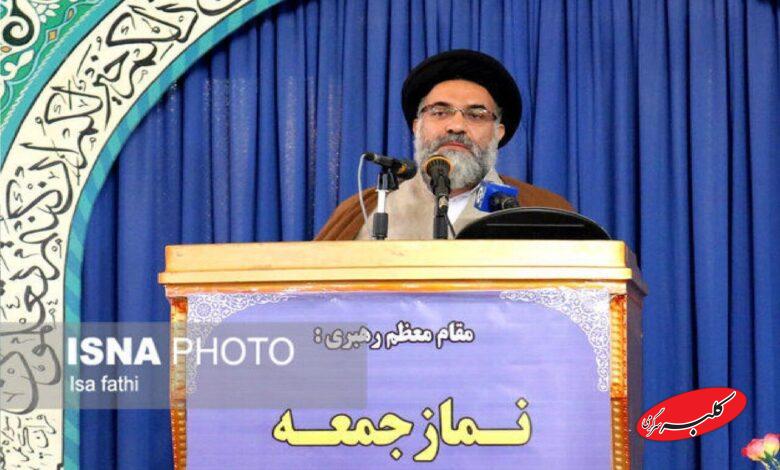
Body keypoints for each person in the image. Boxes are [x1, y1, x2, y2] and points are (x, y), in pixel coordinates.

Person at [315, 49, 573, 241]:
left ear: (498, 133)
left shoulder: (542, 209)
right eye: (440, 112)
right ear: (417, 126)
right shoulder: (364, 209)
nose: (456, 126)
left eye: (476, 115)